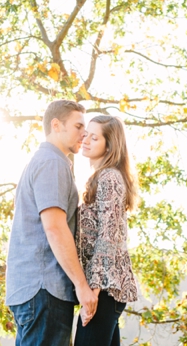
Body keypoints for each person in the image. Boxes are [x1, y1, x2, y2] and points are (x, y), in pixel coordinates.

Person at [5, 99, 99, 346]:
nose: (84, 133)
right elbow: (55, 228)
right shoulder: (52, 163)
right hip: (45, 288)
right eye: (78, 126)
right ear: (56, 125)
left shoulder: (46, 161)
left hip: (36, 291)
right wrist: (82, 286)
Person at [75, 115, 139, 346]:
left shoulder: (109, 177)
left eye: (95, 137)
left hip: (104, 288)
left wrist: (92, 292)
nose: (86, 140)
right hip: (104, 288)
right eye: (86, 134)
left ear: (109, 145)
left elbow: (108, 237)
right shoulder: (98, 177)